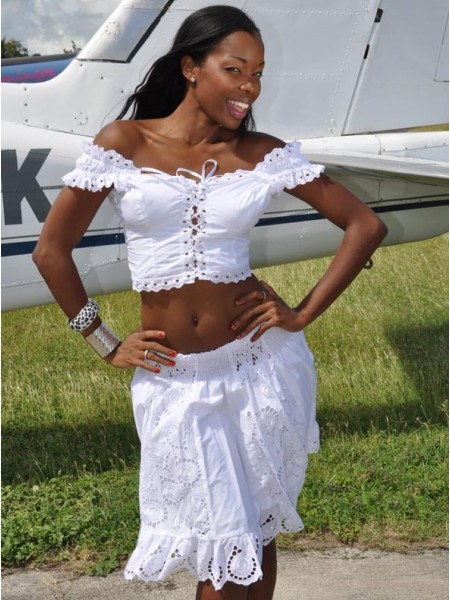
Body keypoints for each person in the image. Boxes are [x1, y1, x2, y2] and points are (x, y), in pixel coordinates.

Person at [33, 5, 387, 600]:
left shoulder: (262, 152)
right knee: (224, 555)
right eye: (235, 69)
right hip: (176, 381)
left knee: (257, 535)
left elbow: (364, 225)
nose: (249, 87)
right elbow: (51, 251)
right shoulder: (123, 143)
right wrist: (104, 343)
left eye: (258, 74)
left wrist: (300, 314)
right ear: (191, 67)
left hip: (260, 368)